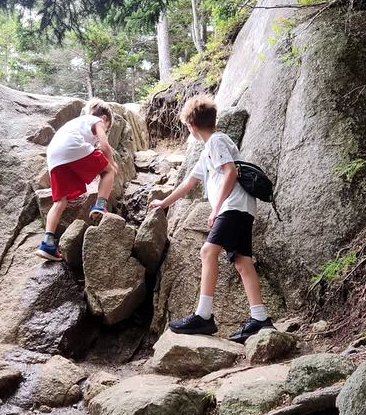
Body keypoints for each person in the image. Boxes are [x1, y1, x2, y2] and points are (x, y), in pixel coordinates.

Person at [149, 93, 273, 342]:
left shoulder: (216, 141)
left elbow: (229, 173)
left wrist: (216, 209)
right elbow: (189, 183)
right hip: (240, 207)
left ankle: (203, 316)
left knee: (208, 252)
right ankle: (260, 318)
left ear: (192, 127)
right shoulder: (210, 149)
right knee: (242, 261)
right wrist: (164, 202)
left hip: (233, 207)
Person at [36, 99, 119, 261]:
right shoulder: (98, 121)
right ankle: (100, 205)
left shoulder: (76, 123)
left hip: (54, 157)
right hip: (72, 146)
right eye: (107, 127)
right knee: (108, 171)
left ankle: (47, 243)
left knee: (60, 201)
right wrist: (112, 163)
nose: (105, 129)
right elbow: (104, 145)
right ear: (104, 118)